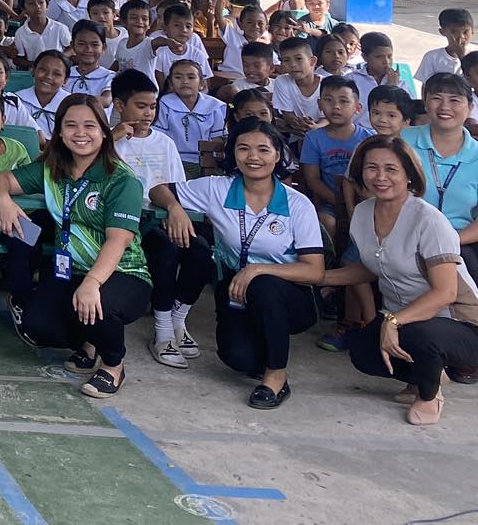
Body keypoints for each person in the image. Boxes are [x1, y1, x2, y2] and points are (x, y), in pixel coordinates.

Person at [148, 121, 323, 408]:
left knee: (263, 285)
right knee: (237, 358)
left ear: (278, 155)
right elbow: (158, 190)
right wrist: (175, 207)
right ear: (234, 154)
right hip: (235, 292)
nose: (253, 157)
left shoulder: (297, 204)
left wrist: (257, 269)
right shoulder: (218, 189)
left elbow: (315, 270)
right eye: (243, 149)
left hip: (289, 297)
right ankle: (262, 350)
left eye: (263, 149)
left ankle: (276, 378)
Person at [0, 95, 151, 399]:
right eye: (71, 125)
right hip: (71, 268)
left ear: (104, 131)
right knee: (37, 326)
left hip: (122, 272)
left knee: (98, 304)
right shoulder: (52, 169)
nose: (80, 133)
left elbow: (119, 240)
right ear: (59, 132)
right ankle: (90, 343)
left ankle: (113, 364)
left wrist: (91, 283)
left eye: (90, 126)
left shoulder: (121, 179)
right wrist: (4, 200)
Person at [325, 134, 478, 425]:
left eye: (391, 169)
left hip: (461, 324)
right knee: (363, 351)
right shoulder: (363, 213)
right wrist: (322, 277)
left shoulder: (429, 221)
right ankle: (421, 374)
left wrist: (393, 322)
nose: (380, 176)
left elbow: (445, 293)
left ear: (409, 175)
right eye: (371, 168)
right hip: (405, 316)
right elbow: (373, 266)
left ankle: (429, 393)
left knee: (421, 334)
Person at [402, 73, 478, 281]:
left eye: (455, 100)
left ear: (470, 107)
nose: (445, 107)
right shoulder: (403, 141)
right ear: (425, 103)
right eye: (437, 98)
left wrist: (450, 240)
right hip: (406, 236)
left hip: (461, 241)